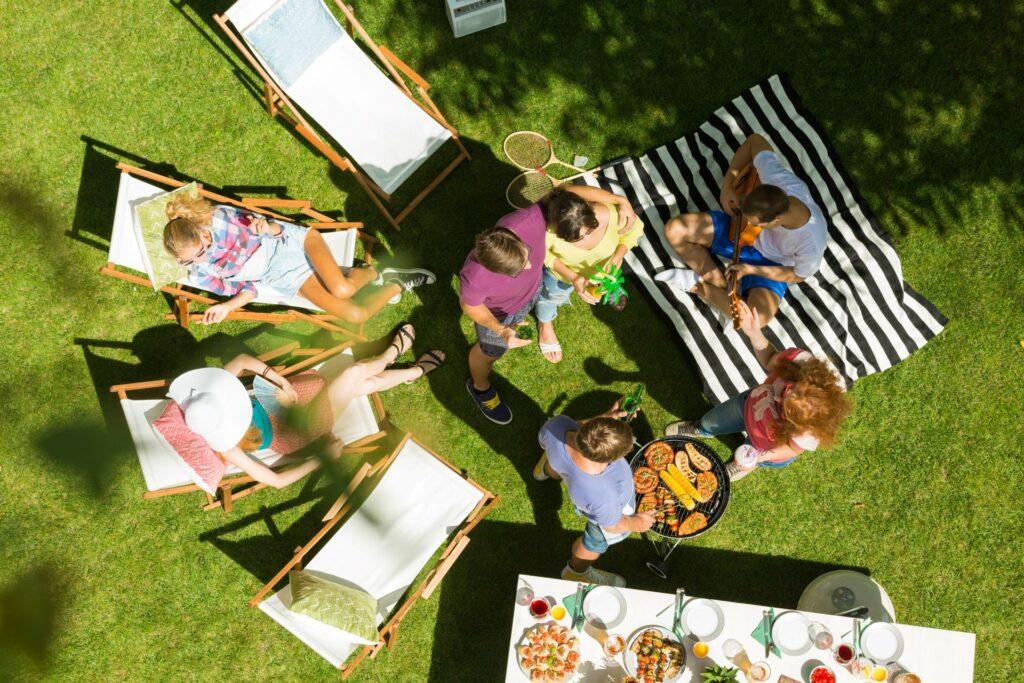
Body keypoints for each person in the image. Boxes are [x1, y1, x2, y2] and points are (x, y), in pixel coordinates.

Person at [163, 324, 444, 490]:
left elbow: (241, 360)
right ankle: (391, 355)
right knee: (352, 374)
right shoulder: (226, 446)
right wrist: (322, 458)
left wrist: (280, 381)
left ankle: (412, 373)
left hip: (281, 398)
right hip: (297, 430)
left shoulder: (211, 395)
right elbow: (276, 481)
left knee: (358, 386)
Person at [162, 195, 435, 325]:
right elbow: (251, 288)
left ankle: (371, 272)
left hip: (290, 243)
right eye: (189, 261)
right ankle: (396, 282)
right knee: (355, 315)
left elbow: (274, 228)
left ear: (199, 231)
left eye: (200, 251)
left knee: (342, 288)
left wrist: (265, 228)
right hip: (283, 278)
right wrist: (227, 307)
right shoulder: (199, 272)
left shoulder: (222, 220)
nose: (200, 259)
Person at [665, 301, 851, 481]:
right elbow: (769, 357)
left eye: (784, 409)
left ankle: (742, 463)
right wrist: (754, 333)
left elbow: (792, 449)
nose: (776, 395)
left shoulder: (811, 430)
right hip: (747, 406)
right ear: (801, 379)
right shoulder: (799, 363)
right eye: (786, 391)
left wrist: (759, 456)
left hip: (767, 444)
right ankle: (702, 428)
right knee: (712, 420)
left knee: (748, 456)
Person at [659, 133, 827, 327]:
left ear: (776, 220)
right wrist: (728, 184)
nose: (750, 221)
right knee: (674, 229)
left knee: (757, 320)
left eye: (755, 222)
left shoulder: (812, 241)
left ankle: (697, 285)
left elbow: (798, 275)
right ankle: (722, 285)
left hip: (771, 264)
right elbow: (755, 141)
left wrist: (751, 269)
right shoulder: (778, 180)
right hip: (739, 232)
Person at [534, 400, 655, 587]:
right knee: (594, 543)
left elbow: (573, 430)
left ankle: (545, 471)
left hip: (560, 461)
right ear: (609, 459)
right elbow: (612, 525)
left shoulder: (557, 426)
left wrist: (606, 417)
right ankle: (576, 571)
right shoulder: (602, 497)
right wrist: (639, 523)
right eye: (625, 451)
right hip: (604, 516)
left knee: (557, 463)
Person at [459, 206, 547, 424]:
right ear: (494, 270)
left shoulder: (528, 220)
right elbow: (470, 307)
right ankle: (480, 388)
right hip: (497, 317)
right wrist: (500, 329)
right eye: (518, 269)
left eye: (525, 254)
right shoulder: (475, 277)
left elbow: (562, 193)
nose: (529, 265)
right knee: (490, 351)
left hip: (529, 295)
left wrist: (619, 203)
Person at [537, 186, 641, 362]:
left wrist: (617, 256)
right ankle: (544, 324)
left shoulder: (614, 215)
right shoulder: (547, 234)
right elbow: (546, 256)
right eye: (576, 239)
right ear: (557, 230)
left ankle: (609, 287)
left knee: (602, 286)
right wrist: (573, 277)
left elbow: (634, 231)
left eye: (589, 231)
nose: (585, 239)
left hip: (605, 272)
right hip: (562, 276)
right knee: (551, 297)